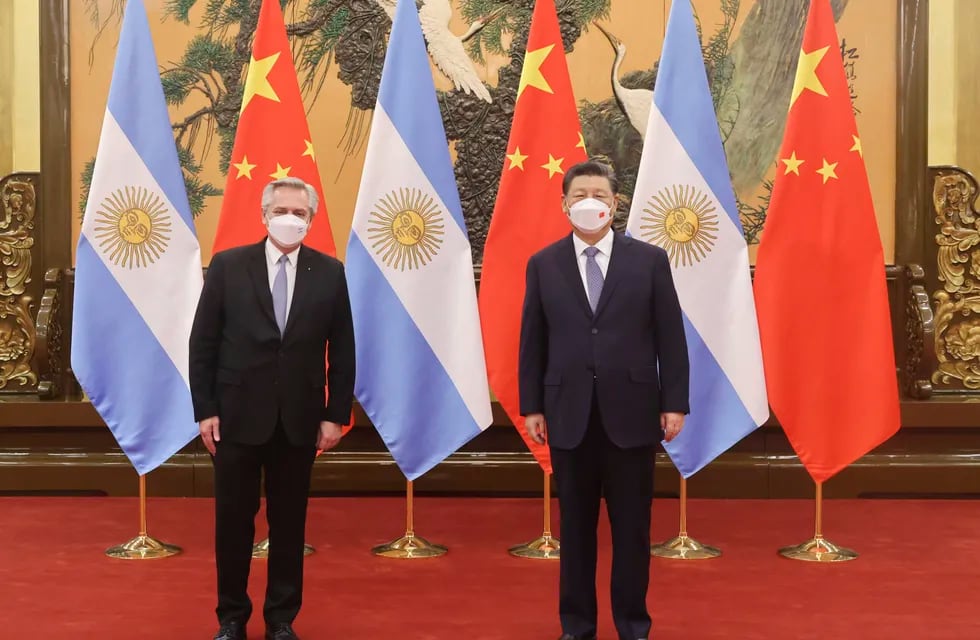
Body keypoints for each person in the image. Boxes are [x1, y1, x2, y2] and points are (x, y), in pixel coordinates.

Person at [519, 160, 690, 640]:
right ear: (565, 204)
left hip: (632, 415)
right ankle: (576, 626)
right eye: (580, 194)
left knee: (632, 531)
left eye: (600, 194)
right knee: (575, 530)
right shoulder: (543, 263)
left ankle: (633, 625)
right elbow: (533, 340)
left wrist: (674, 402)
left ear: (616, 204)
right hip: (568, 415)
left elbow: (670, 338)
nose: (589, 201)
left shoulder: (649, 260)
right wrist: (532, 405)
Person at [190, 177, 355, 640]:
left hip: (300, 420)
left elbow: (343, 349)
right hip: (235, 417)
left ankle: (281, 618)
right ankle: (231, 618)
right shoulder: (227, 266)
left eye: (299, 213)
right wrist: (205, 409)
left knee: (288, 524)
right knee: (233, 523)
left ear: (311, 220)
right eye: (281, 210)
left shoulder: (330, 273)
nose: (289, 218)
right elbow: (202, 343)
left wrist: (334, 414)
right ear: (263, 215)